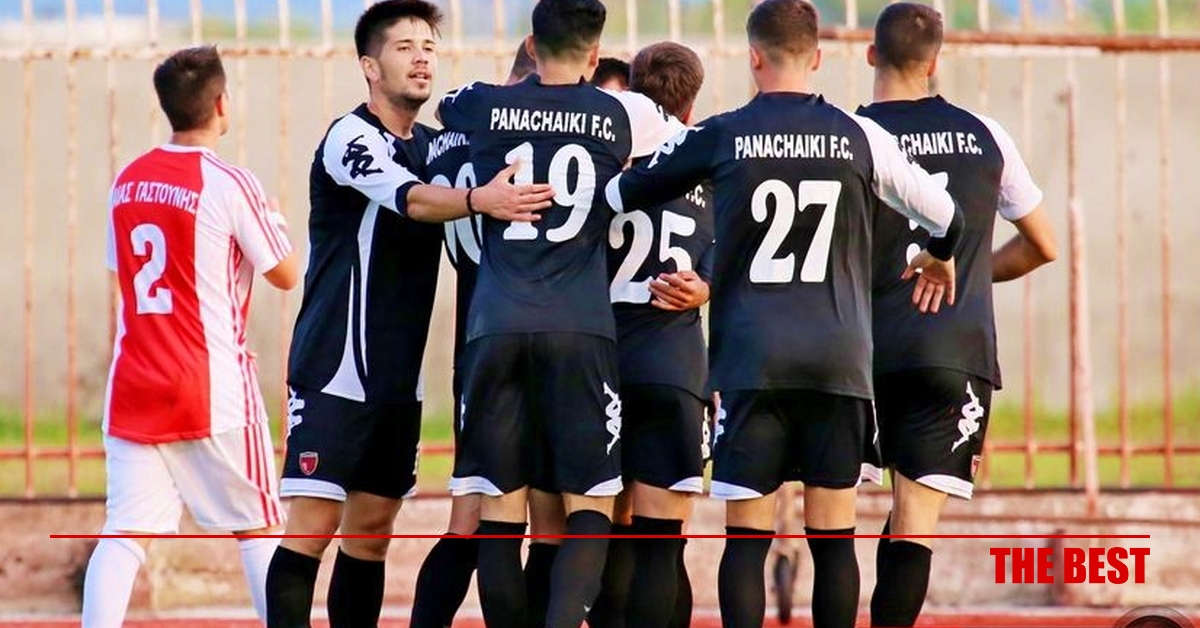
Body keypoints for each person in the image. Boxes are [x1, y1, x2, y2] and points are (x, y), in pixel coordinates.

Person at [604, 1, 964, 627]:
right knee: (833, 538)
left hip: (752, 359)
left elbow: (620, 192)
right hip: (837, 359)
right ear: (818, 57)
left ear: (753, 57)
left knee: (746, 540)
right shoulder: (859, 134)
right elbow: (947, 215)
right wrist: (939, 256)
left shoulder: (722, 133)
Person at [264, 2, 552, 627]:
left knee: (372, 531)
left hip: (399, 374)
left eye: (428, 47)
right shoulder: (350, 138)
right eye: (403, 48)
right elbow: (414, 201)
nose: (421, 58)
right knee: (312, 526)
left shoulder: (429, 146)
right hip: (337, 366)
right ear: (369, 66)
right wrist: (481, 199)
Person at [437, 0, 685, 626]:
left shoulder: (484, 103)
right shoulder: (620, 112)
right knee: (591, 504)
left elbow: (446, 106)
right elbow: (682, 142)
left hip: (495, 322)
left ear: (530, 44)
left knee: (499, 510)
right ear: (596, 54)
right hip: (580, 326)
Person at [856, 4, 1057, 626]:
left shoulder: (849, 134)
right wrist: (968, 272)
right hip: (952, 350)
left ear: (871, 54)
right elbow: (1043, 245)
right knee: (914, 523)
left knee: (830, 519)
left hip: (861, 351)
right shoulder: (985, 133)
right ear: (935, 62)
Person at [84, 45, 298, 628]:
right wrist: (275, 219)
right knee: (259, 526)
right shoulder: (231, 182)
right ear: (222, 103)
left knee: (124, 534)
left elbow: (123, 274)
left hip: (135, 383)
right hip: (212, 385)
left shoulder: (127, 181)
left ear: (168, 106)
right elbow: (286, 274)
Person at [407, 41, 539, 628]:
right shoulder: (530, 133)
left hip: (475, 336)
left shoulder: (449, 133)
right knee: (544, 518)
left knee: (470, 518)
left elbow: (453, 104)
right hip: (535, 328)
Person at [588, 41, 712, 628]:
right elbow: (734, 254)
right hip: (672, 360)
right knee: (664, 541)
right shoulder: (708, 167)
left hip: (601, 358)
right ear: (690, 107)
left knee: (604, 529)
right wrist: (706, 286)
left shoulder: (602, 167)